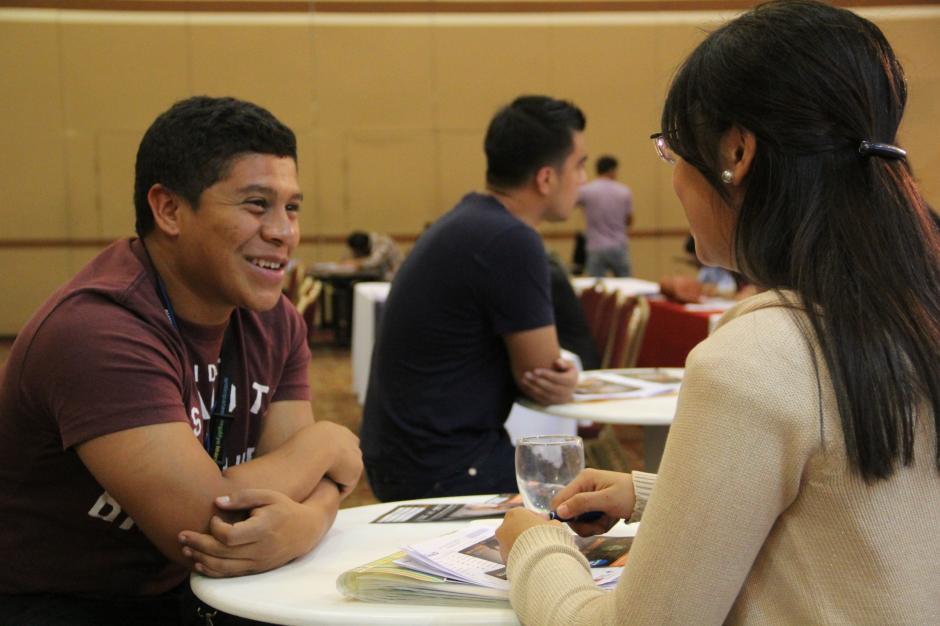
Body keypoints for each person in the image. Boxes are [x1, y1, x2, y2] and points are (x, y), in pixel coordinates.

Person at [495, 2, 940, 623]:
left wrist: (534, 546)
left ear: (736, 151)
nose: (674, 175)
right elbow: (861, 502)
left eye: (673, 149)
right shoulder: (913, 308)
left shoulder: (758, 356)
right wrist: (651, 494)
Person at [0, 96, 363, 625]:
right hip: (57, 604)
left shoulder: (274, 318)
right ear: (168, 209)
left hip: (198, 594)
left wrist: (309, 519)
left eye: (292, 207)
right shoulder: (97, 329)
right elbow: (201, 526)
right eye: (256, 204)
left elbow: (294, 487)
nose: (284, 232)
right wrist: (328, 441)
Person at [360, 95, 586, 501]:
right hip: (445, 466)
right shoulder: (512, 240)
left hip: (403, 454)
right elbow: (541, 377)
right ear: (546, 178)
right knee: (579, 506)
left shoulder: (468, 221)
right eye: (580, 165)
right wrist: (564, 373)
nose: (583, 180)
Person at [577, 155, 633, 277]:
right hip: (619, 244)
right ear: (612, 170)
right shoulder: (624, 191)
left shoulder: (587, 191)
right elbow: (629, 220)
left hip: (595, 246)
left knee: (594, 288)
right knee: (626, 284)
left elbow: (571, 203)